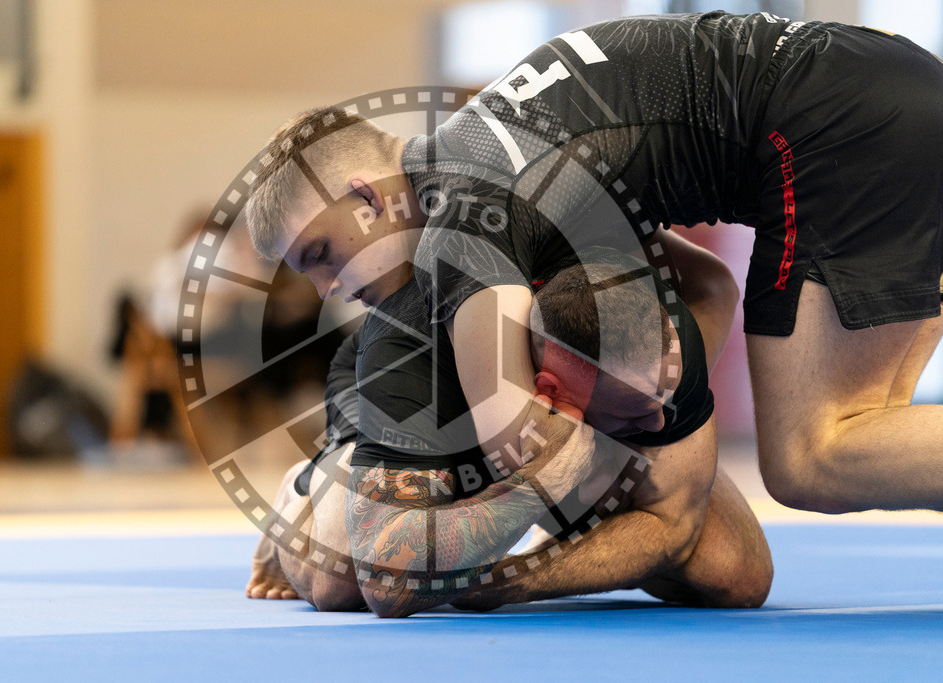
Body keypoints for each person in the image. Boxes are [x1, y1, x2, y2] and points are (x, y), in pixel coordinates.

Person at [245, 11, 943, 515]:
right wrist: (663, 413)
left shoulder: (458, 224)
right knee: (879, 433)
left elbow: (522, 456)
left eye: (320, 254)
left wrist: (355, 500)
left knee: (809, 458)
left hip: (838, 120)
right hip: (883, 86)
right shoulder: (492, 171)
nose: (328, 289)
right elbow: (709, 284)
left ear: (366, 198)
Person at [246, 254, 772, 616]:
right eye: (636, 415)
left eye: (658, 402)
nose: (656, 426)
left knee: (732, 571)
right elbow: (388, 585)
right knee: (338, 584)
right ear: (549, 395)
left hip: (565, 376)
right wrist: (535, 488)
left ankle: (567, 504)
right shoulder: (414, 362)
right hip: (397, 389)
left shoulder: (658, 343)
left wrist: (504, 581)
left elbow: (672, 524)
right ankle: (306, 484)